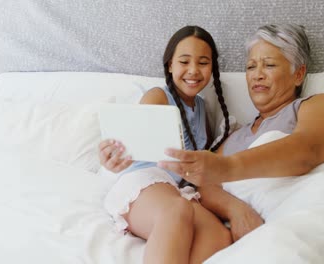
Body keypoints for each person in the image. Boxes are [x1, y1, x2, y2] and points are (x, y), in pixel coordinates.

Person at [99, 25, 263, 264]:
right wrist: (113, 156)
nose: (193, 71)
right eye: (184, 62)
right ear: (170, 66)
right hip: (143, 182)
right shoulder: (158, 96)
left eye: (203, 63)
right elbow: (131, 140)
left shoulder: (201, 109)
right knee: (177, 210)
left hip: (173, 189)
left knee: (218, 235)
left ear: (212, 68)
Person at [157, 24, 324, 218]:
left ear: (298, 74)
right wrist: (236, 211)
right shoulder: (234, 137)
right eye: (251, 67)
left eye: (269, 65)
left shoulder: (318, 105)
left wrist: (228, 167)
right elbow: (205, 183)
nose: (257, 75)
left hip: (309, 212)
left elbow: (309, 149)